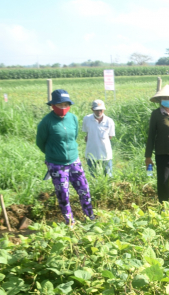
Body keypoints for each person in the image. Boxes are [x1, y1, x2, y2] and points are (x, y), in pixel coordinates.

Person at [36, 89, 95, 224]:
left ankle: (89, 216)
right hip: (56, 164)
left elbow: (73, 137)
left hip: (74, 161)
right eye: (60, 105)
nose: (63, 108)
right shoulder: (46, 122)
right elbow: (40, 142)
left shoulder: (72, 118)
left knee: (84, 190)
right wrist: (53, 154)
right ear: (53, 105)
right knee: (63, 193)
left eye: (65, 104)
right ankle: (70, 221)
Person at [82, 99, 115, 177]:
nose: (99, 112)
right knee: (93, 174)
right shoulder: (87, 119)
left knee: (108, 174)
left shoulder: (109, 121)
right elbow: (87, 133)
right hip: (91, 152)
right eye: (96, 110)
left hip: (105, 152)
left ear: (103, 109)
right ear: (92, 109)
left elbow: (110, 136)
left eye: (101, 110)